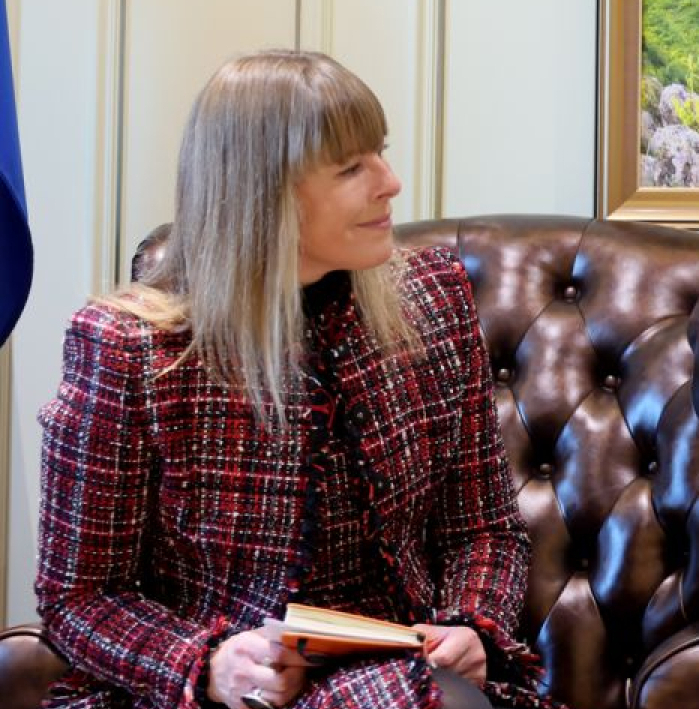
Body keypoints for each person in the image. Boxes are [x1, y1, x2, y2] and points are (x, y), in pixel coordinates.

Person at [35, 50, 557, 709]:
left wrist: (470, 627)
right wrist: (208, 665)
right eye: (350, 168)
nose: (391, 183)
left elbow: (484, 532)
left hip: (413, 680)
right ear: (263, 193)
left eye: (380, 153)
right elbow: (79, 598)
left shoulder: (434, 298)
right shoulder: (126, 349)